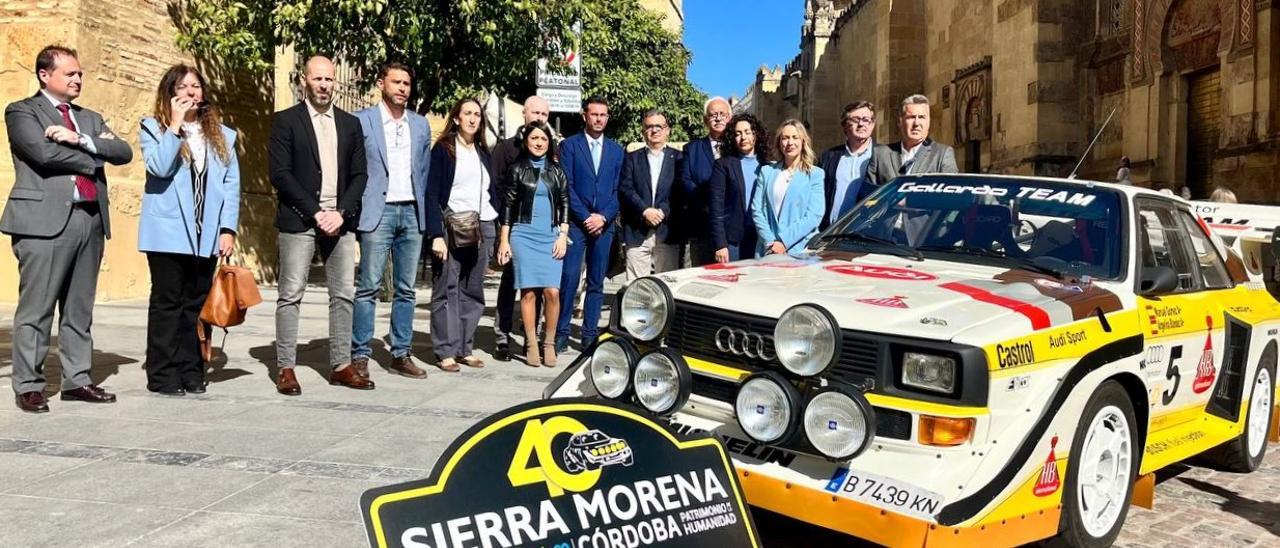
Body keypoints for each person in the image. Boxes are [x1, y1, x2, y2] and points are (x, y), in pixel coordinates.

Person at [2, 45, 133, 412]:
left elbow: (123, 152)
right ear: (45, 75)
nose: (78, 79)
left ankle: (78, 379)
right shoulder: (23, 111)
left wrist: (80, 140)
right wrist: (96, 157)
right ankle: (29, 384)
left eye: (80, 74)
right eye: (70, 73)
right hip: (43, 222)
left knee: (79, 309)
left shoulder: (89, 118)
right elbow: (41, 154)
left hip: (89, 218)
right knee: (37, 308)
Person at [269, 55, 371, 395]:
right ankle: (286, 367)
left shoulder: (350, 124)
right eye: (318, 79)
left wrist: (341, 212)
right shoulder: (286, 121)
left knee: (343, 293)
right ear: (304, 81)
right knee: (291, 293)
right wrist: (316, 212)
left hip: (340, 221)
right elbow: (280, 174)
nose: (325, 85)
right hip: (300, 221)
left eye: (329, 80)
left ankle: (341, 364)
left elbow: (360, 174)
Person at [137, 64, 240, 396]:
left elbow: (231, 185)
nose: (191, 92)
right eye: (182, 87)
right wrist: (175, 126)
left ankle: (192, 369)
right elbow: (159, 167)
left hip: (205, 233)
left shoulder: (222, 136)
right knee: (168, 302)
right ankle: (162, 373)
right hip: (167, 234)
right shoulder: (153, 128)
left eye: (196, 86)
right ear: (170, 93)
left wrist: (227, 229)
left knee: (196, 304)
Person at [350, 62, 432, 380]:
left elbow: (423, 171)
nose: (402, 88)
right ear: (381, 83)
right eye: (396, 82)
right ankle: (360, 355)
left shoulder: (421, 125)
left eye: (407, 83)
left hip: (411, 210)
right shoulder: (361, 121)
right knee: (368, 286)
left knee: (407, 288)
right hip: (378, 210)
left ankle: (401, 353)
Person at [425, 98, 499, 372]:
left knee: (473, 290)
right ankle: (445, 349)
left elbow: (491, 192)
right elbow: (431, 193)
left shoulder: (482, 152)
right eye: (467, 113)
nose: (472, 118)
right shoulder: (444, 150)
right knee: (447, 288)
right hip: (452, 226)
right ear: (456, 118)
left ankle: (464, 347)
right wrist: (436, 234)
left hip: (483, 226)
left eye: (477, 114)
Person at [496, 121, 569, 367]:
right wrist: (504, 240)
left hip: (550, 235)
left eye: (544, 139)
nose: (539, 143)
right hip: (522, 235)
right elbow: (507, 205)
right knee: (527, 292)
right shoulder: (517, 169)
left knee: (552, 292)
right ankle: (530, 344)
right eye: (534, 138)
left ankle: (547, 342)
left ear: (550, 143)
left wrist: (562, 235)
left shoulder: (557, 170)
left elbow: (565, 202)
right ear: (526, 141)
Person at [556, 96, 624, 353]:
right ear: (585, 116)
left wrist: (603, 217)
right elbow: (566, 185)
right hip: (576, 223)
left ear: (607, 118)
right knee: (569, 277)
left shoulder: (617, 151)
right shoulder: (571, 146)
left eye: (603, 115)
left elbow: (619, 191)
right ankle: (561, 333)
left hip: (604, 226)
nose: (598, 119)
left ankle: (589, 334)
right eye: (594, 114)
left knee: (596, 281)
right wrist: (585, 216)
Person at [491, 95, 551, 362]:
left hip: (541, 230)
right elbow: (494, 188)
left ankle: (532, 337)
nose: (539, 117)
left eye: (544, 114)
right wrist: (504, 227)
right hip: (512, 227)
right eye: (535, 112)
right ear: (525, 113)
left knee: (537, 285)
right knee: (510, 282)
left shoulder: (551, 148)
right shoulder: (506, 149)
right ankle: (502, 336)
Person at [619, 110, 681, 280]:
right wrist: (644, 211)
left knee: (666, 285)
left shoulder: (679, 159)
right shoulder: (631, 158)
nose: (654, 130)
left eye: (659, 126)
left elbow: (680, 191)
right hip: (637, 229)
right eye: (649, 126)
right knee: (636, 286)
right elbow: (626, 189)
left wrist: (663, 211)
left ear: (667, 130)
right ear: (643, 131)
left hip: (668, 230)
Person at [751, 119, 826, 256]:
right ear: (779, 143)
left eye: (795, 137)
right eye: (785, 138)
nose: (790, 142)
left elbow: (814, 215)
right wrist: (770, 242)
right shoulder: (767, 172)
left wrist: (784, 242)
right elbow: (757, 210)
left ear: (803, 141)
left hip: (801, 250)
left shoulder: (815, 174)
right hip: (768, 249)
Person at [680, 96, 733, 266]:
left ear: (730, 118)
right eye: (712, 115)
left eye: (722, 114)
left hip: (732, 230)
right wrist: (709, 206)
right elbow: (686, 182)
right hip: (702, 227)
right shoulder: (692, 149)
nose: (718, 118)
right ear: (705, 120)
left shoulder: (738, 148)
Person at [710, 114, 768, 263]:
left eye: (747, 132)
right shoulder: (723, 165)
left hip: (760, 238)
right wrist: (720, 244)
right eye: (738, 134)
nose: (743, 137)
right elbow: (716, 207)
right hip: (732, 241)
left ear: (756, 134)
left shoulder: (768, 166)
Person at [866, 94, 959, 185]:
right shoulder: (881, 154)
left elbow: (952, 193)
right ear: (899, 121)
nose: (916, 123)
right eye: (911, 117)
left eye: (922, 117)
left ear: (929, 122)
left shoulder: (942, 154)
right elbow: (868, 194)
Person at [819, 101, 876, 229]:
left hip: (868, 234)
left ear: (872, 124)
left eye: (866, 120)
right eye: (855, 119)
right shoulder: (829, 156)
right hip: (831, 233)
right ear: (845, 125)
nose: (861, 124)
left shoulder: (883, 156)